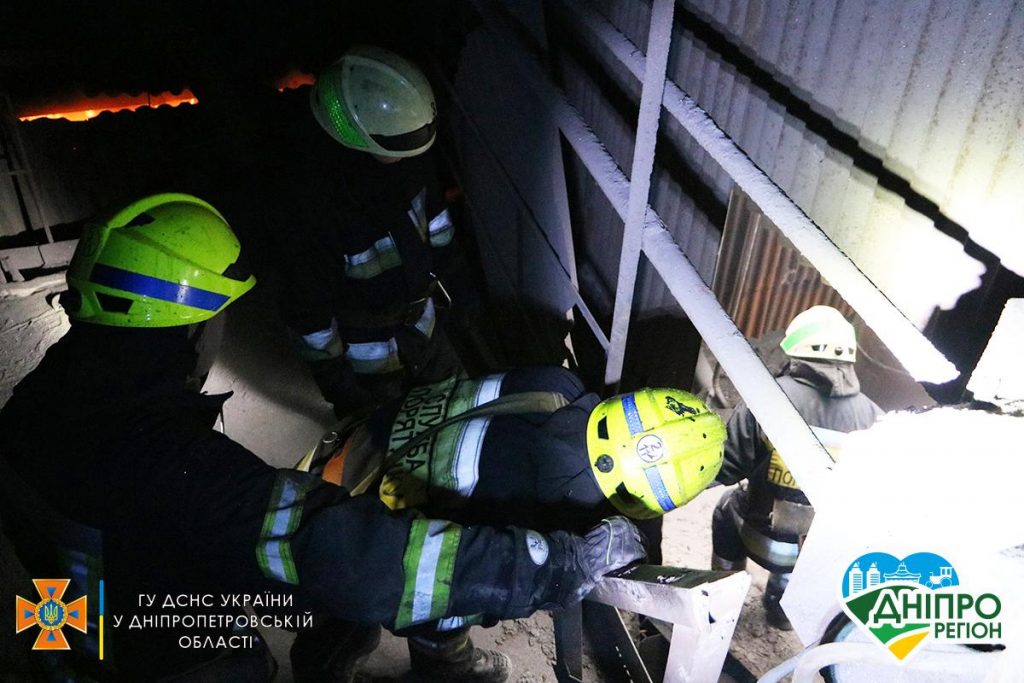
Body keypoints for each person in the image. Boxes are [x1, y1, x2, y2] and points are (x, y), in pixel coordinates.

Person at [0, 194, 644, 683]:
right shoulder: (174, 467)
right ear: (192, 329)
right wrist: (553, 566)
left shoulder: (34, 405)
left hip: (69, 636)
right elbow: (347, 552)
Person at [298, 365, 729, 680]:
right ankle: (438, 666)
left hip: (344, 454)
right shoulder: (543, 508)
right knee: (461, 588)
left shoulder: (556, 383)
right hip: (341, 529)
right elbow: (459, 577)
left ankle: (344, 639)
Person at [277, 45, 463, 418]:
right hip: (371, 369)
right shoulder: (313, 206)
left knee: (459, 416)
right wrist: (344, 391)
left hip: (426, 335)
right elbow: (308, 312)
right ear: (355, 132)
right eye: (397, 147)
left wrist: (461, 296)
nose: (408, 155)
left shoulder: (411, 162)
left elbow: (439, 231)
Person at [711, 305, 883, 629]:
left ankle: (722, 602)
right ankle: (781, 607)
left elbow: (726, 467)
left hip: (760, 538)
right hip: (814, 558)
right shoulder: (876, 418)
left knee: (725, 508)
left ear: (796, 352)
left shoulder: (767, 397)